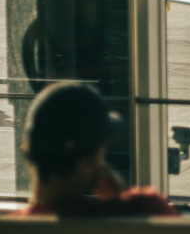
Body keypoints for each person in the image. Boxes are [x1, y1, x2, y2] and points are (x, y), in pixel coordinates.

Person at [18, 82, 176, 217]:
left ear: (26, 149)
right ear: (95, 158)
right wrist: (120, 196)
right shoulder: (148, 210)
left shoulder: (6, 233)